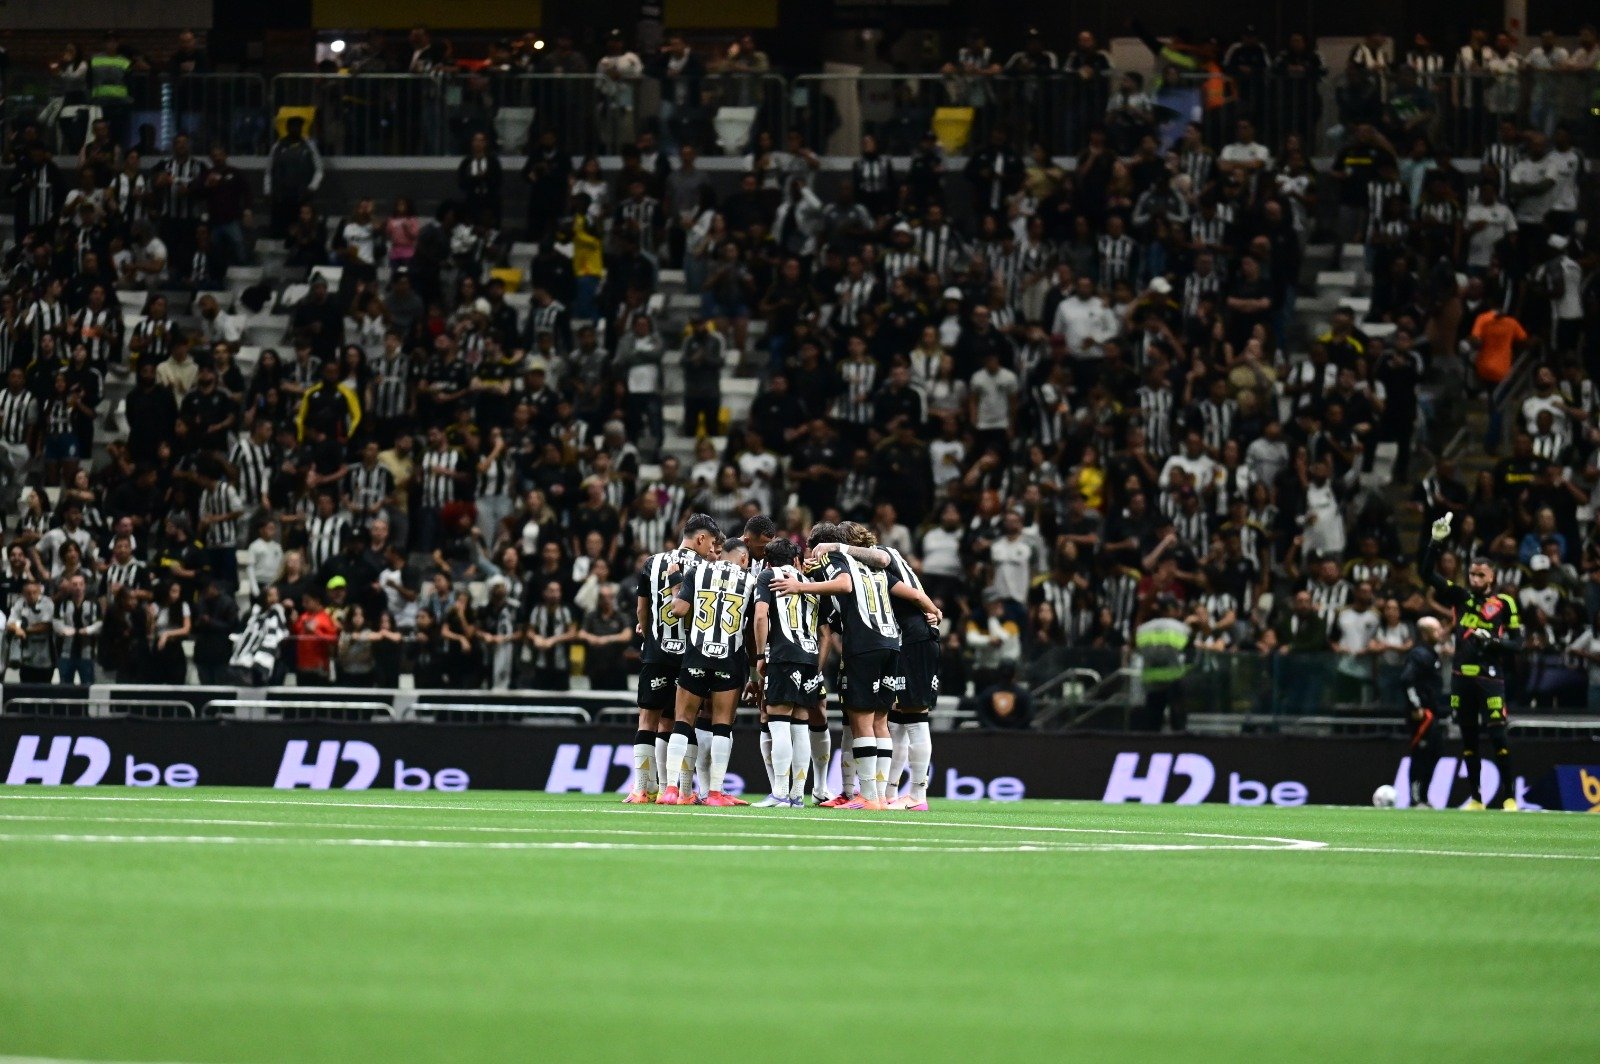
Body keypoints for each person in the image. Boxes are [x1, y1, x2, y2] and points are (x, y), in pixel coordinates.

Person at [1418, 512, 1523, 810]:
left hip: (1491, 677)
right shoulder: (1460, 597)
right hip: (1461, 677)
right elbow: (1427, 574)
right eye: (1472, 574)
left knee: (1498, 735)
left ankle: (1509, 796)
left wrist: (1493, 641)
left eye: (1481, 575)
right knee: (1468, 740)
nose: (1475, 579)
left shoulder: (1505, 603)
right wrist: (1435, 544)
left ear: (1492, 577)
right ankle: (1476, 797)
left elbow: (1519, 644)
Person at [662, 543, 759, 807]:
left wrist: (674, 585)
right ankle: (715, 793)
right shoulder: (751, 579)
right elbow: (752, 632)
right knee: (721, 727)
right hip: (729, 658)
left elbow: (678, 610)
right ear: (743, 558)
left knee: (682, 721)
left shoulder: (697, 571)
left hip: (696, 655)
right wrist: (754, 671)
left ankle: (671, 790)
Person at [751, 536, 823, 808]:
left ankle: (779, 792)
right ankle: (796, 795)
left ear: (768, 560)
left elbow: (761, 615)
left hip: (784, 654)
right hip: (809, 655)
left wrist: (760, 654)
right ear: (795, 559)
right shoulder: (810, 580)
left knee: (778, 721)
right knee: (801, 725)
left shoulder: (768, 575)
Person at [1399, 616, 1447, 807]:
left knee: (1434, 752)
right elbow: (1406, 680)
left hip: (1432, 712)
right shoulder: (1419, 654)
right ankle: (1415, 798)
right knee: (1421, 754)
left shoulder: (1431, 654)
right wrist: (1416, 706)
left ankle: (1424, 796)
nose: (1440, 633)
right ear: (1426, 634)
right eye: (1436, 630)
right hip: (1422, 715)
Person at [1135, 593, 1190, 731]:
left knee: (1153, 724)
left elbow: (1137, 649)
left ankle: (1151, 750)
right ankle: (1179, 749)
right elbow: (1189, 650)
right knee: (1178, 723)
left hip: (1152, 679)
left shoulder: (1143, 629)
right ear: (1172, 609)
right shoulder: (1181, 628)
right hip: (1174, 679)